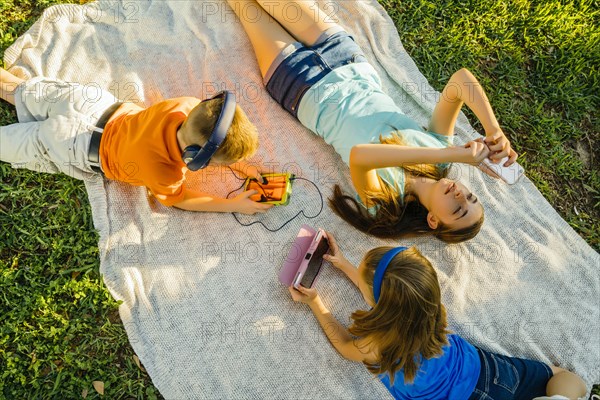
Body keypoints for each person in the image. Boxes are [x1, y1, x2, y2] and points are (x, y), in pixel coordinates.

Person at [226, 0, 519, 242]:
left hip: (302, 83)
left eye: (457, 209)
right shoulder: (441, 153)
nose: (460, 194)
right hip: (344, 56)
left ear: (433, 220)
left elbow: (361, 156)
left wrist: (452, 152)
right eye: (470, 197)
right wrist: (494, 130)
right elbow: (460, 82)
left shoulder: (384, 203)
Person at [288, 232, 587, 399]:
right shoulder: (431, 309)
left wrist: (316, 302)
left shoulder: (377, 345)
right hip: (489, 371)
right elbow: (390, 294)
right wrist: (343, 265)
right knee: (563, 378)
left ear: (378, 303)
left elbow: (342, 344)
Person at [0, 68, 273, 214]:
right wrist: (232, 204)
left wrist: (239, 165)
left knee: (17, 89)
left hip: (89, 103)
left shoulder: (186, 106)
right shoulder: (163, 170)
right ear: (193, 158)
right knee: (12, 143)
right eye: (210, 164)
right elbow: (181, 199)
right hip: (73, 144)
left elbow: (209, 136)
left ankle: (13, 88)